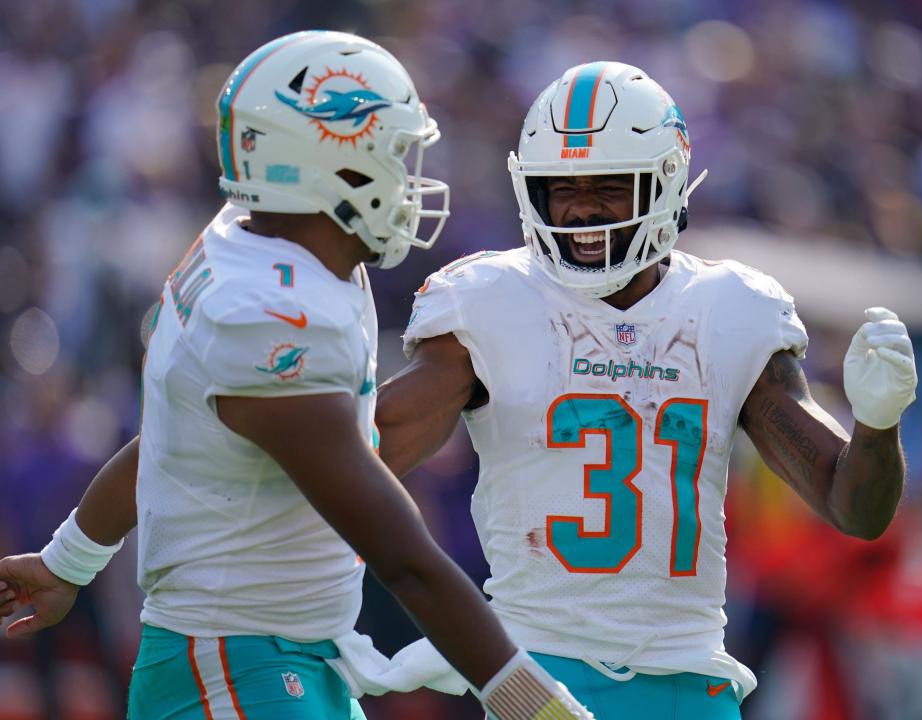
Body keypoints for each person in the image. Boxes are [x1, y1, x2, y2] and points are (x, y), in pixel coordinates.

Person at [0, 32, 593, 720]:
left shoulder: (261, 242)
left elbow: (171, 443)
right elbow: (398, 552)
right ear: (328, 165)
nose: (407, 179)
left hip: (279, 657)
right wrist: (536, 704)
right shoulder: (268, 315)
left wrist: (66, 560)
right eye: (392, 154)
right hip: (235, 670)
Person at [373, 62, 919, 719]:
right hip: (541, 675)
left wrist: (878, 423)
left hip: (691, 679)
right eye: (561, 188)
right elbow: (367, 457)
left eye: (608, 186)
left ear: (665, 184)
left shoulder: (731, 309)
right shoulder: (489, 303)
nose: (580, 208)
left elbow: (855, 510)